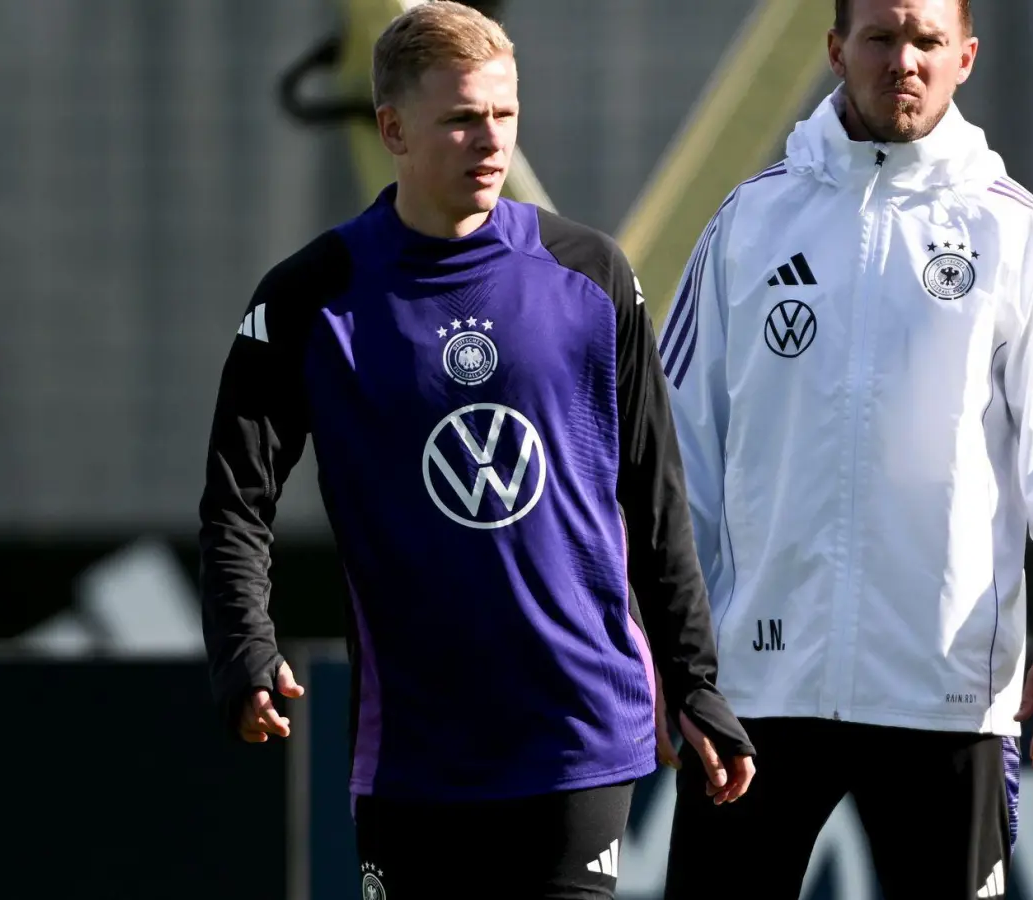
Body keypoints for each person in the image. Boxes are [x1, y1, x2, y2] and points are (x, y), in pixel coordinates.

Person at [196, 5, 753, 898]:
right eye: (460, 118)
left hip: (579, 734)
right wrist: (243, 646)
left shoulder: (592, 275)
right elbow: (236, 502)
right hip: (414, 752)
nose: (488, 140)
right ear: (392, 130)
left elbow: (653, 496)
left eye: (504, 115)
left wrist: (694, 682)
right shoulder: (312, 298)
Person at [657, 0, 1033, 897]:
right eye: (880, 38)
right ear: (837, 50)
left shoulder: (1012, 231)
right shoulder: (749, 224)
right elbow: (673, 454)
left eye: (926, 42)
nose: (903, 61)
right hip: (760, 682)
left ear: (966, 58)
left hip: (943, 685)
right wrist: (668, 648)